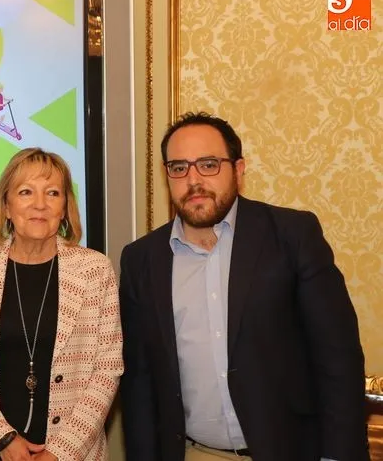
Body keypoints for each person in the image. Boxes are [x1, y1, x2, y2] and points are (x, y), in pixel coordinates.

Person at [118, 112, 369, 461]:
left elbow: (337, 358)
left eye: (208, 164)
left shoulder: (293, 236)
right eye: (179, 167)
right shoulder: (140, 260)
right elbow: (139, 385)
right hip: (195, 453)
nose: (193, 180)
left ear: (238, 169)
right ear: (167, 176)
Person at [0, 148, 123, 461]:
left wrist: (59, 453)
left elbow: (107, 370)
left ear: (65, 207)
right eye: (26, 192)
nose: (40, 204)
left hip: (71, 454)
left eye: (52, 193)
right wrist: (3, 440)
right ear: (7, 206)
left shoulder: (95, 270)